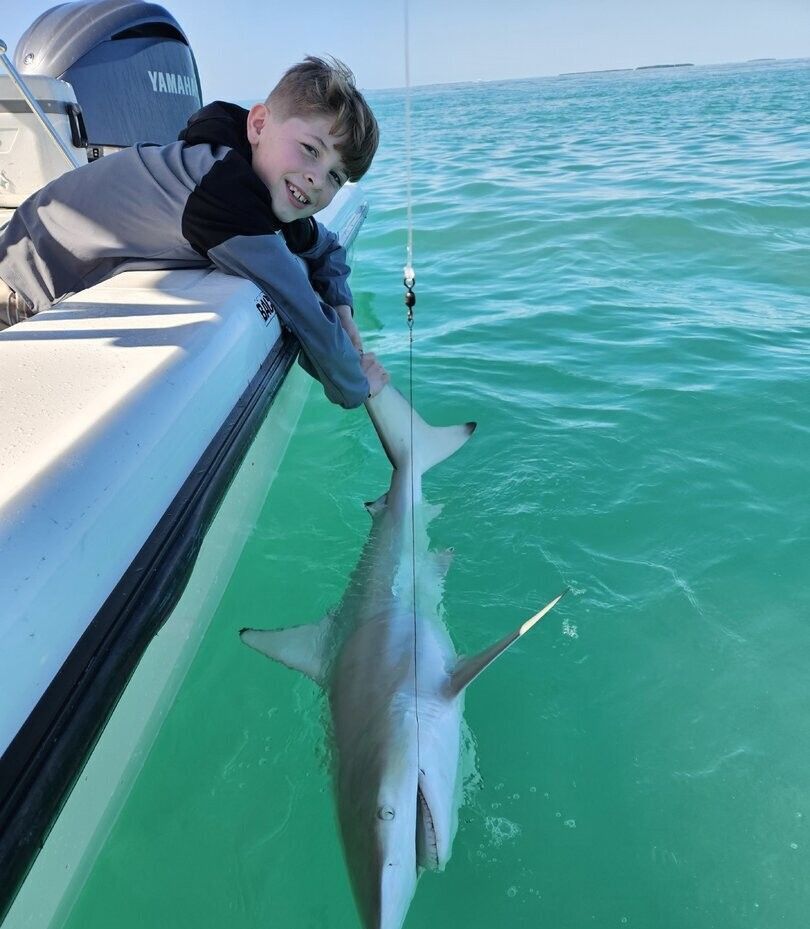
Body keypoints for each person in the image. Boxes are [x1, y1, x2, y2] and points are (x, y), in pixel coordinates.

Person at [0, 56, 388, 408]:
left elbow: (326, 248)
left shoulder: (255, 177)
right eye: (310, 149)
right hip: (19, 285)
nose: (316, 178)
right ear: (258, 125)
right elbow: (301, 310)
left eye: (336, 176)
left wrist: (342, 310)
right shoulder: (221, 196)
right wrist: (358, 384)